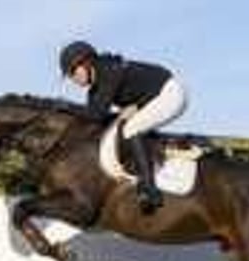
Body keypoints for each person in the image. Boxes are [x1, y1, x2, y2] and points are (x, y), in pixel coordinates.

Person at [59, 40, 188, 214]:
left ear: (86, 62)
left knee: (131, 129)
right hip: (155, 96)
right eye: (69, 75)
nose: (72, 78)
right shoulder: (96, 87)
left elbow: (95, 115)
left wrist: (65, 106)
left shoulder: (108, 70)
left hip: (170, 93)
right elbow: (93, 120)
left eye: (73, 71)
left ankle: (149, 189)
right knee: (123, 126)